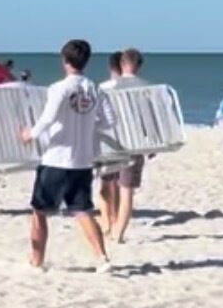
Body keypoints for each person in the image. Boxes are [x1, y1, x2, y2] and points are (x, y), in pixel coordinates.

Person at [20, 38, 115, 273]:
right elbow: (110, 120)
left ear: (64, 61)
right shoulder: (95, 89)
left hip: (56, 158)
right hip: (82, 160)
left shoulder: (59, 88)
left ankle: (37, 262)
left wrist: (30, 134)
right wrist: (89, 128)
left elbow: (48, 118)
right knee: (82, 210)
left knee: (40, 212)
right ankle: (102, 257)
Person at [98, 47, 147, 243]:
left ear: (121, 64)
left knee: (104, 185)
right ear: (139, 66)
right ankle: (118, 234)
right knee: (127, 192)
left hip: (109, 144)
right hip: (133, 146)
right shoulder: (148, 88)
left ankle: (108, 225)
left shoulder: (104, 87)